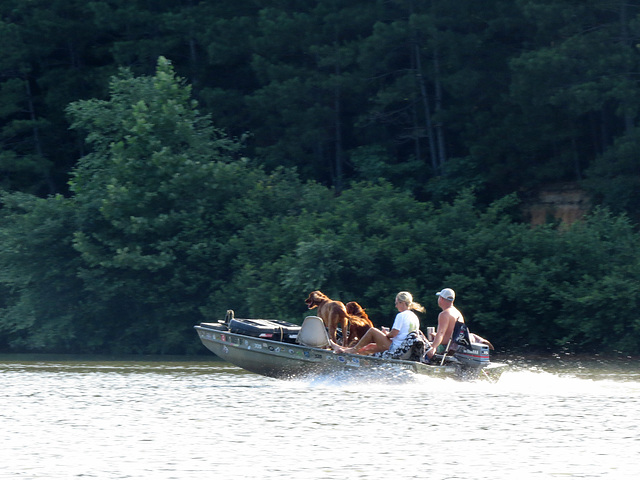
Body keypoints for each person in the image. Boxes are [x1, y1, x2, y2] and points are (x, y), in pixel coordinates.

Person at [330, 291, 425, 355]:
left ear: (403, 303)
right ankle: (346, 352)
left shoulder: (401, 315)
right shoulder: (414, 317)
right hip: (404, 348)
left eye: (397, 303)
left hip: (396, 347)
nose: (396, 306)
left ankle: (351, 350)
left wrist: (385, 334)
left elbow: (393, 334)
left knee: (372, 331)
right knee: (370, 347)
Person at [426, 288, 464, 359]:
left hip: (445, 348)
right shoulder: (458, 313)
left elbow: (441, 333)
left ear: (441, 299)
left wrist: (433, 348)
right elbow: (450, 334)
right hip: (455, 348)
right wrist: (436, 335)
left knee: (421, 348)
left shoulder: (444, 314)